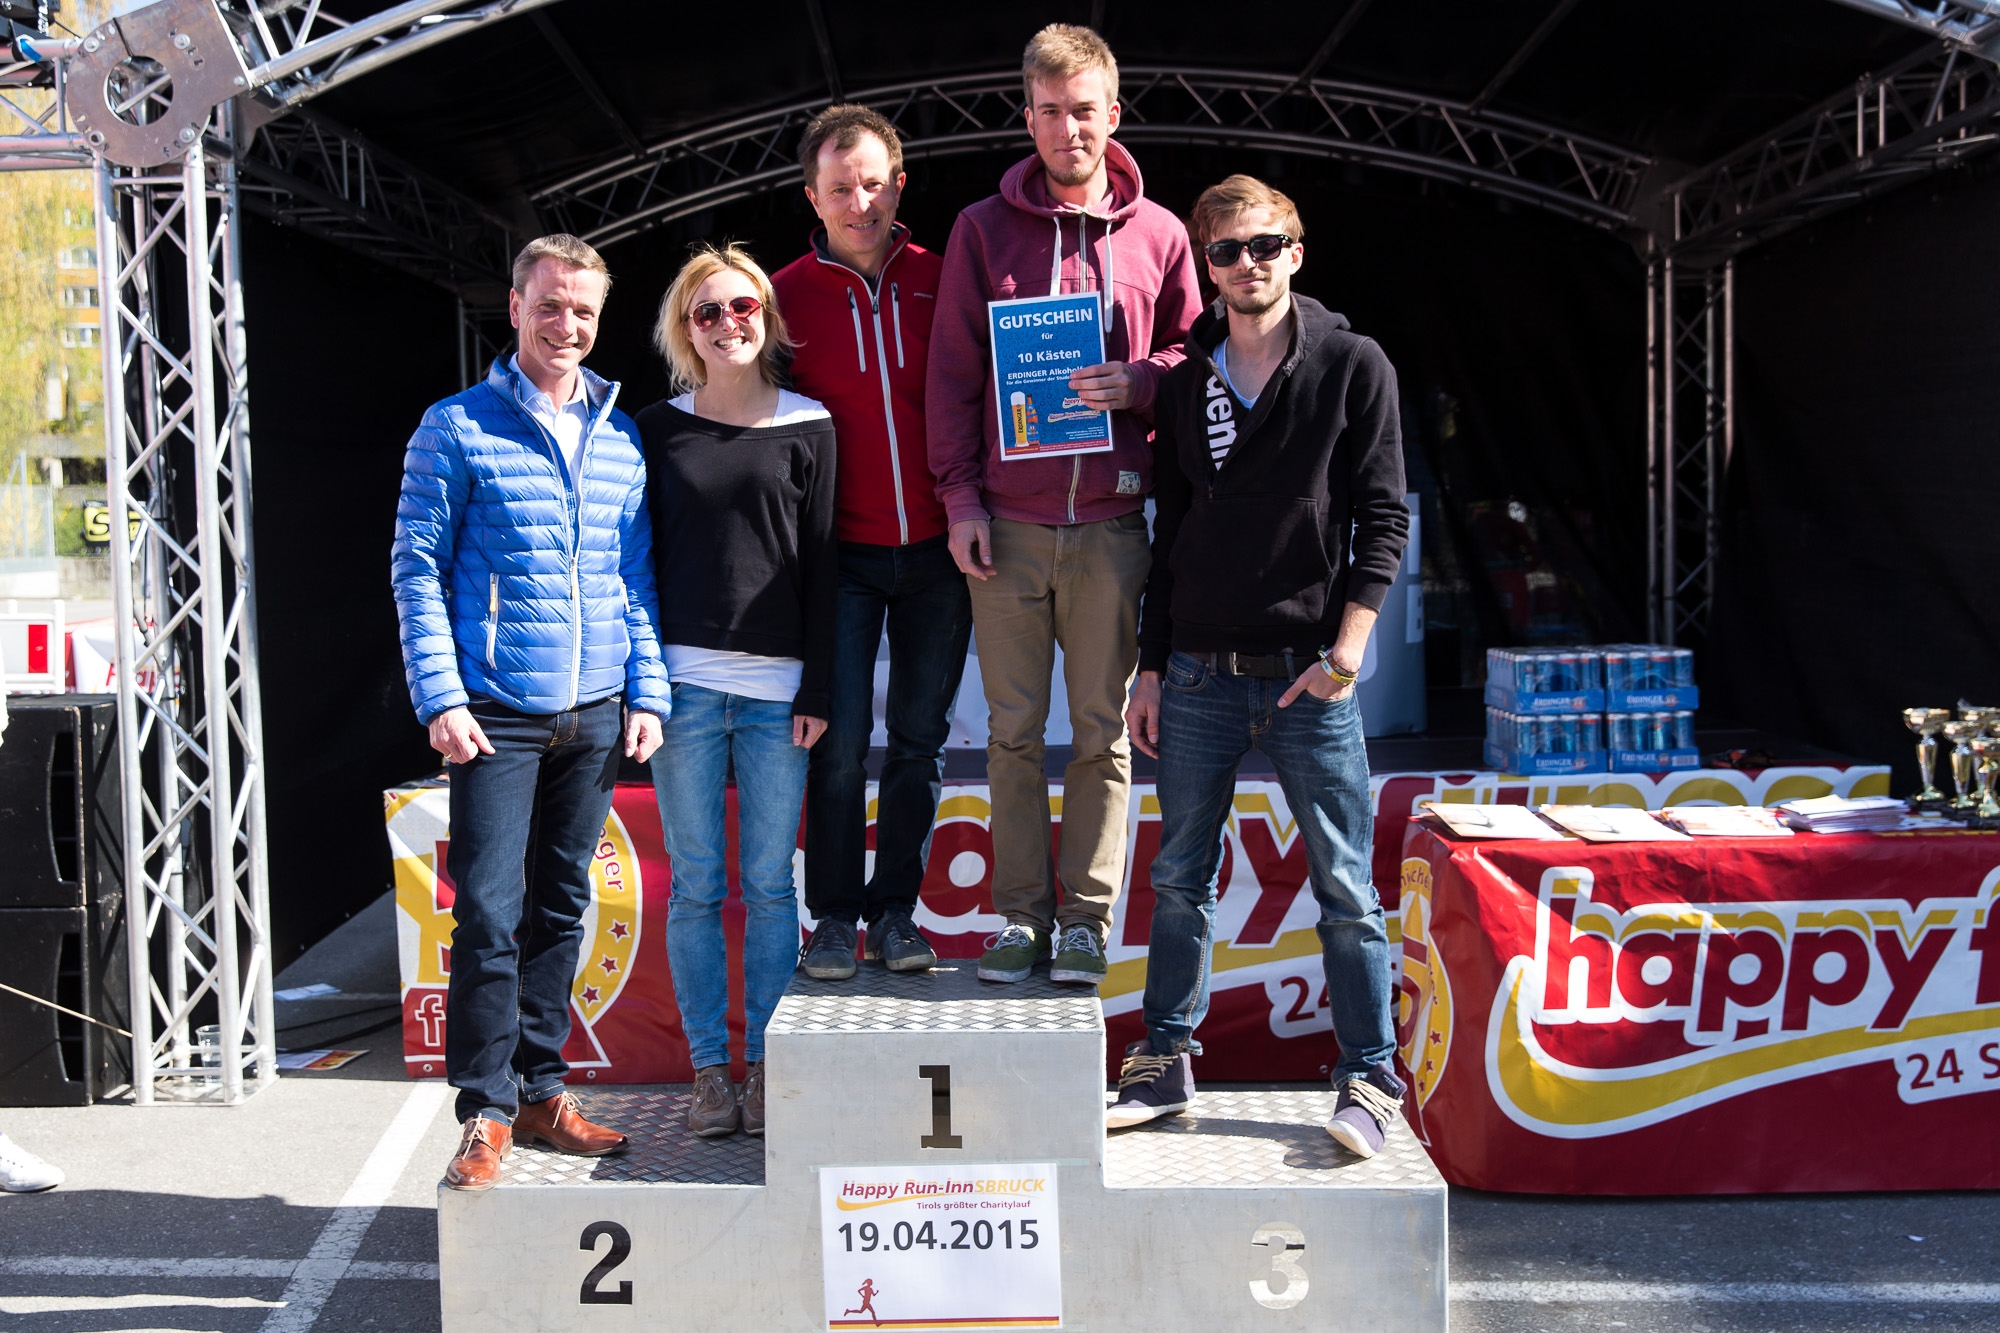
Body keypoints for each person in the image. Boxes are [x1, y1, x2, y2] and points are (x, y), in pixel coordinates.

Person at [1107, 176, 1412, 1159]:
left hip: (1303, 677)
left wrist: (1347, 652)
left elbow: (1382, 517)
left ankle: (1368, 1077)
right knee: (1179, 878)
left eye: (1264, 245)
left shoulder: (1352, 364)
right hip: (1195, 671)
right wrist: (1150, 668)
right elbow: (1174, 530)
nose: (1248, 264)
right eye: (1227, 251)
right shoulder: (1189, 381)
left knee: (1344, 889)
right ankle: (1164, 1062)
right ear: (1204, 268)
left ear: (1296, 250)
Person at [927, 24, 1202, 987]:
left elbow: (1194, 358)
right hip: (1007, 526)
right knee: (1009, 736)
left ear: (1112, 115)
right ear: (1030, 117)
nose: (1067, 128)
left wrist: (1142, 380)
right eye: (1049, 111)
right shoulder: (980, 230)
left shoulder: (1162, 236)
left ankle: (1083, 920)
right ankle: (1019, 920)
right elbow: (953, 377)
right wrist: (961, 496)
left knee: (1101, 732)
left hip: (1114, 528)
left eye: (1083, 110)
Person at [393, 234, 668, 1190]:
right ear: (514, 307)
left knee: (562, 906)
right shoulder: (455, 426)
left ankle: (545, 1089)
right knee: (490, 917)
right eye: (549, 304)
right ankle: (485, 1110)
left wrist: (647, 690)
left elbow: (633, 578)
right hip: (496, 714)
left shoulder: (621, 435)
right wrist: (441, 695)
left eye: (583, 310)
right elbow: (416, 569)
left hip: (594, 713)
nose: (567, 325)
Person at [637, 244, 837, 1138]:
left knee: (766, 886)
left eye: (743, 306)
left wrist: (822, 685)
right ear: (686, 329)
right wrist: (642, 684)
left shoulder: (812, 424)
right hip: (681, 689)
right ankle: (710, 1074)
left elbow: (826, 569)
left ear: (769, 316)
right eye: (708, 311)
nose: (729, 324)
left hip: (776, 694)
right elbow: (631, 568)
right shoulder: (655, 428)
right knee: (693, 886)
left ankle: (767, 1067)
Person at [773, 105, 969, 981]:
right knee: (841, 742)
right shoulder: (776, 298)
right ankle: (832, 917)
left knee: (920, 742)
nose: (860, 202)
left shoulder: (947, 276)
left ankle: (897, 914)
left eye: (873, 183)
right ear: (813, 197)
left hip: (940, 551)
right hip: (839, 560)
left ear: (900, 184)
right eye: (840, 187)